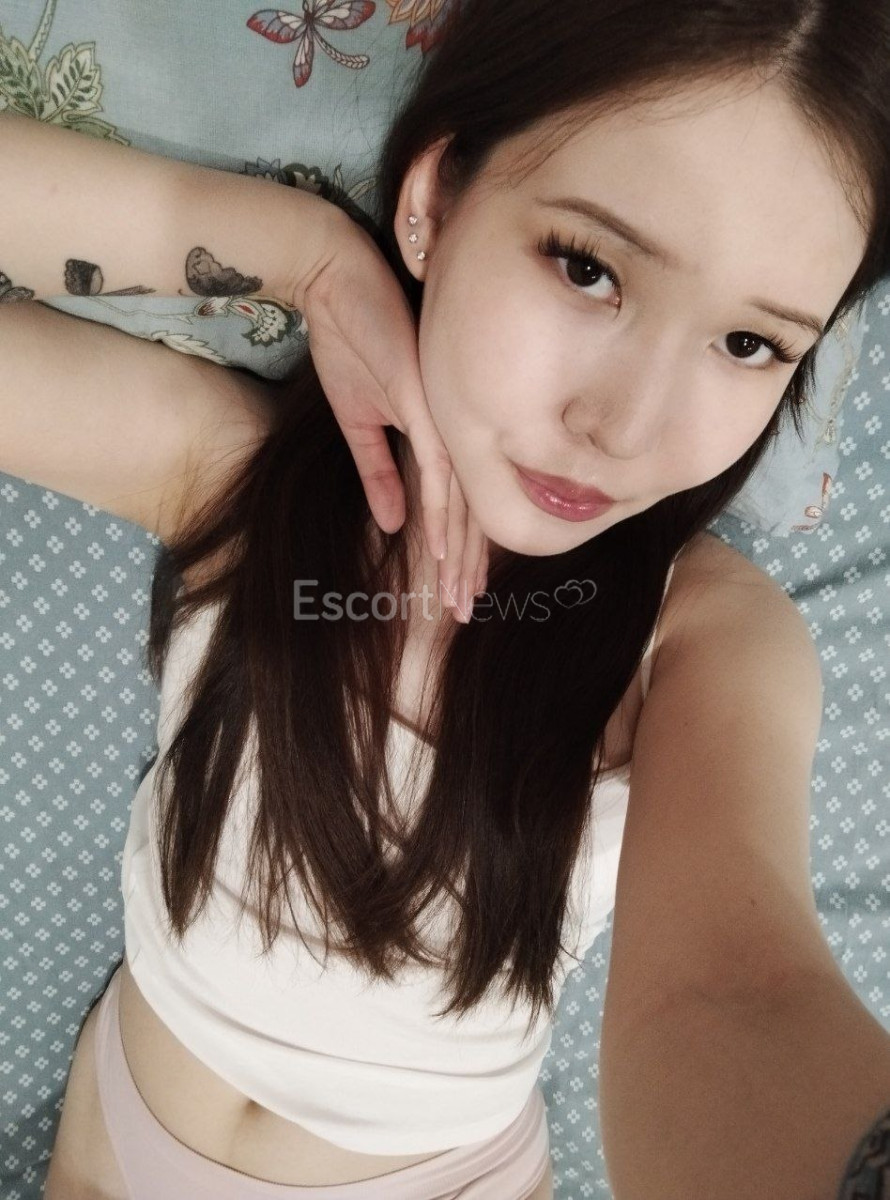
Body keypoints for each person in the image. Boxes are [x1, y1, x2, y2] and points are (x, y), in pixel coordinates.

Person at [0, 0, 888, 1194]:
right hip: (114, 1140)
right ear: (432, 197)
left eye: (747, 345)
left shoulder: (704, 640)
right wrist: (306, 257)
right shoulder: (244, 485)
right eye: (587, 267)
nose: (623, 427)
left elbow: (734, 995)